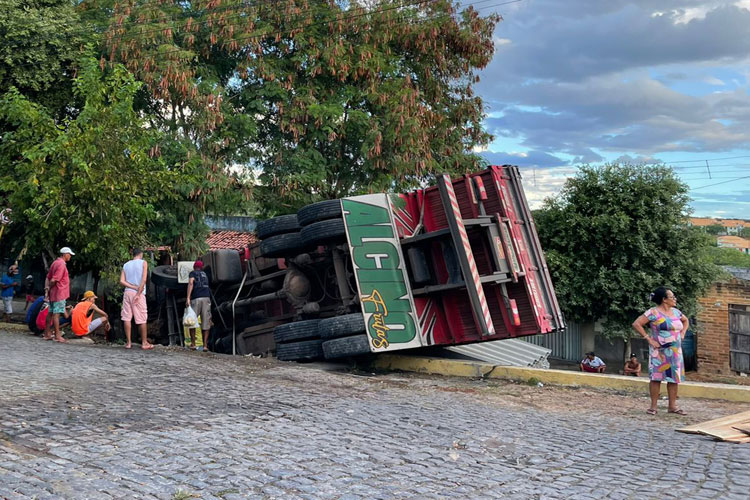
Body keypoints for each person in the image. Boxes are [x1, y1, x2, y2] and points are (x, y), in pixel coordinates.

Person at [632, 286, 689, 416]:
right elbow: (637, 324)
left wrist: (683, 332)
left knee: (674, 378)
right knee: (656, 378)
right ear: (664, 299)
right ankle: (653, 407)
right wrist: (648, 339)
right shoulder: (653, 312)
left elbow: (685, 321)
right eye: (672, 297)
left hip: (675, 351)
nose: (675, 299)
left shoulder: (676, 312)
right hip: (659, 351)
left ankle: (672, 406)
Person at [119, 248, 152, 350]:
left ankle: (128, 343)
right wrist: (138, 293)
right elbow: (144, 279)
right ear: (141, 254)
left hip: (127, 292)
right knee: (142, 318)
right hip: (139, 292)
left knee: (127, 317)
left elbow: (122, 281)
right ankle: (144, 342)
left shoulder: (126, 264)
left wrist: (131, 287)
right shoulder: (143, 263)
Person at [44, 247, 74, 342]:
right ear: (65, 254)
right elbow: (53, 279)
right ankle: (57, 335)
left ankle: (47, 333)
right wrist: (50, 287)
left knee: (50, 313)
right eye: (69, 254)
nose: (70, 257)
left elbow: (48, 277)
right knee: (56, 315)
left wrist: (48, 290)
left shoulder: (55, 262)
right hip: (60, 293)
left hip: (54, 293)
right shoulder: (61, 265)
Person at [186, 260, 212, 351]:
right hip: (206, 298)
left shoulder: (192, 273)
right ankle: (205, 346)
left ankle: (193, 344)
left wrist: (188, 298)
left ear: (194, 267)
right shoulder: (205, 275)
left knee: (192, 321)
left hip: (196, 298)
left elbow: (191, 283)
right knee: (206, 322)